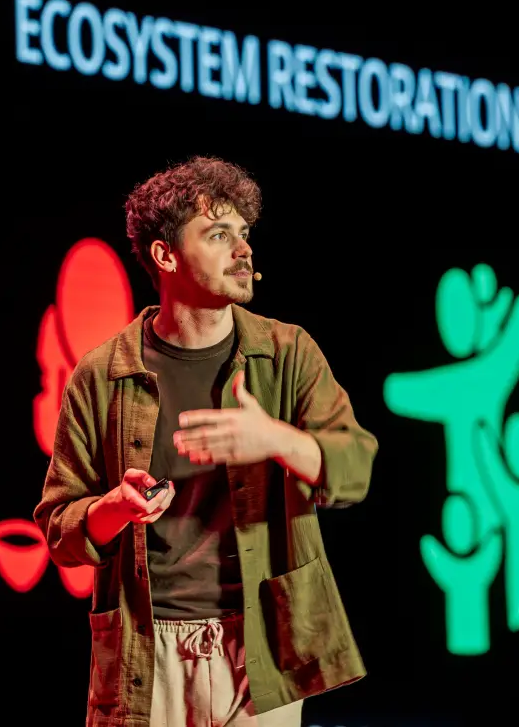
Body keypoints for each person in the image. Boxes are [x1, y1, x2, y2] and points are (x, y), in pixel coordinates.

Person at [34, 155, 379, 726]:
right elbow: (59, 530)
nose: (243, 250)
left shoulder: (287, 352)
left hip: (262, 649)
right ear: (165, 255)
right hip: (148, 655)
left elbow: (356, 465)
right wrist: (112, 509)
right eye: (219, 234)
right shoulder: (103, 374)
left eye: (244, 233)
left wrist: (274, 438)